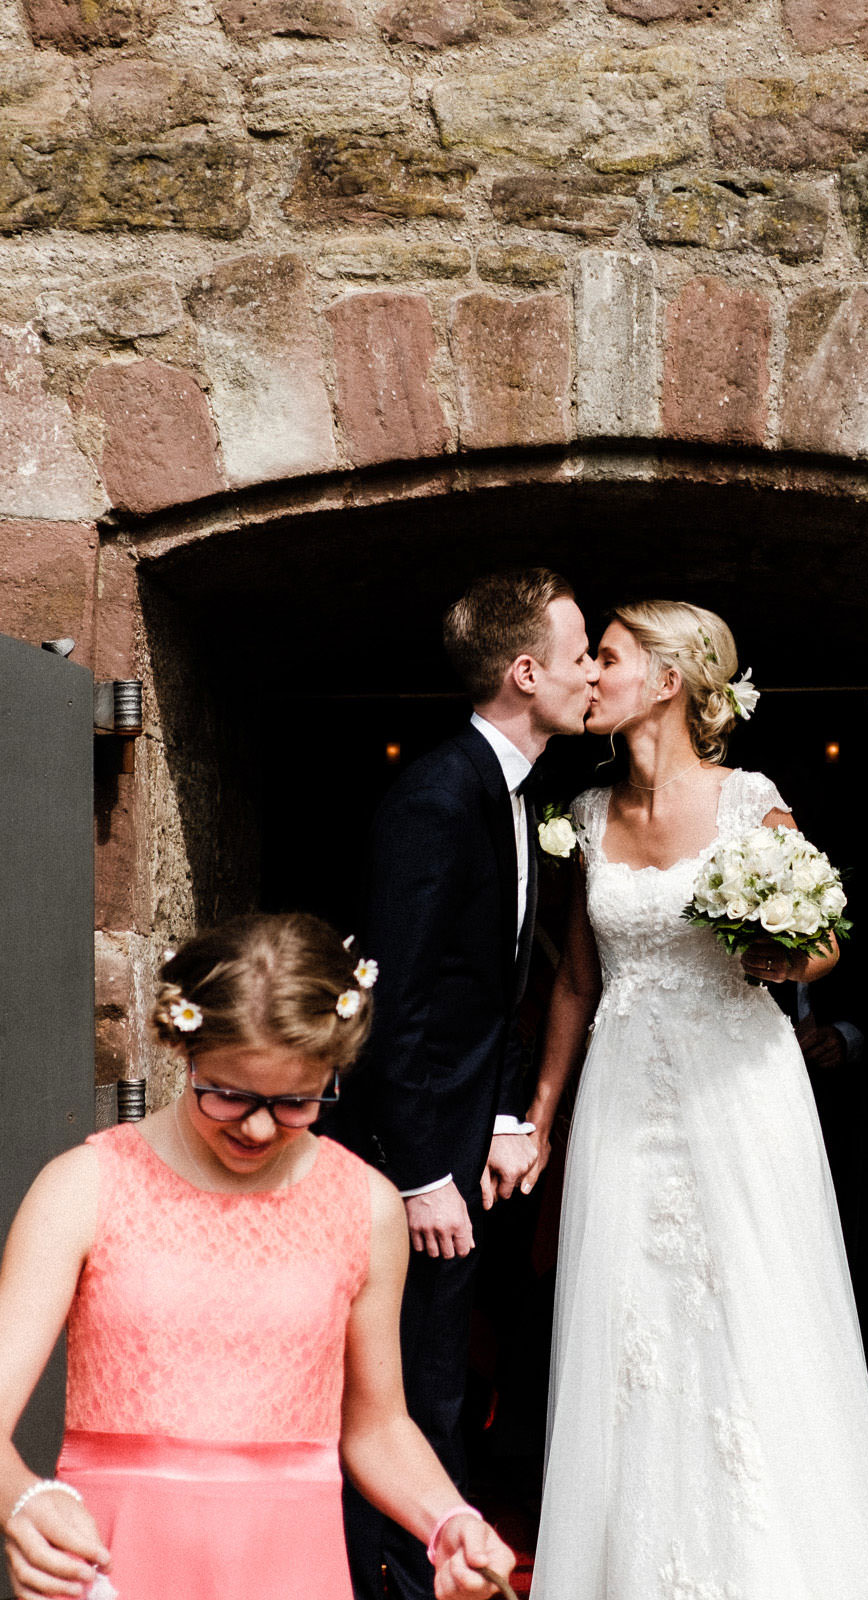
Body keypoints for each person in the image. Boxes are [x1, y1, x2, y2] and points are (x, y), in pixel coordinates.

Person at [519, 600, 868, 1600]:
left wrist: (780, 946)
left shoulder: (751, 800)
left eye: (608, 658)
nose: (591, 673)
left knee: (759, 1315)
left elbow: (825, 938)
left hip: (742, 1090)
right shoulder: (582, 815)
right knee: (630, 1323)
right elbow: (576, 984)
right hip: (627, 1093)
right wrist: (540, 1116)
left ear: (667, 681)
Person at [0, 913, 516, 1600]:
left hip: (292, 1570)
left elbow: (377, 1426)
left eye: (297, 1102)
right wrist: (25, 1504)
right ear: (185, 1051)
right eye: (231, 1095)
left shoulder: (367, 1204)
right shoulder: (84, 1187)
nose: (261, 1126)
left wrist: (447, 1520)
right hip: (117, 1567)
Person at [327, 569, 598, 1600]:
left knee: (444, 1379)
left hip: (458, 1142)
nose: (590, 675)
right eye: (578, 657)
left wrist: (496, 1117)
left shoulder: (512, 792)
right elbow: (388, 998)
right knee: (410, 1392)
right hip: (413, 1169)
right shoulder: (437, 797)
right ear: (526, 672)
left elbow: (476, 992)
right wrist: (411, 1174)